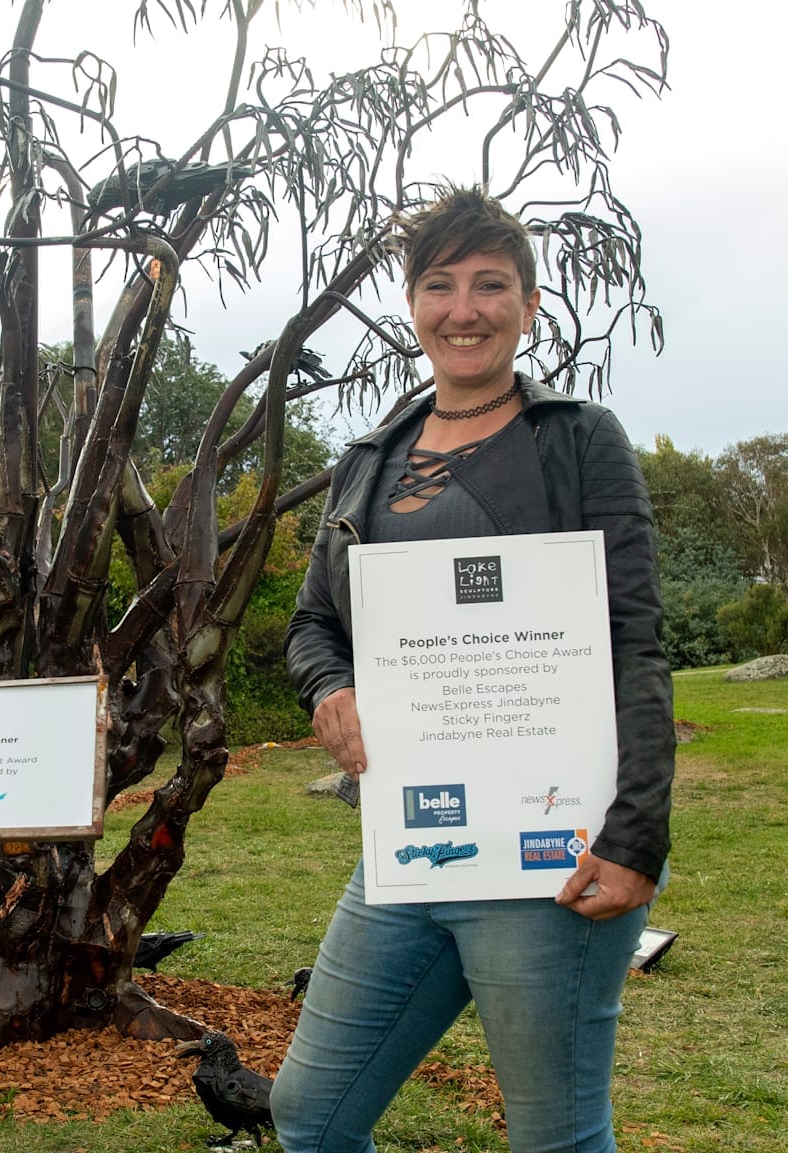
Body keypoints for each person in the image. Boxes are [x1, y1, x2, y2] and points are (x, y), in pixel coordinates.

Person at [269, 185, 674, 1153]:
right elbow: (314, 623)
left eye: (491, 284)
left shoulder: (577, 439)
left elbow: (634, 639)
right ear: (412, 305)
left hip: (557, 857)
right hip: (410, 848)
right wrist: (330, 687)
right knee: (312, 1116)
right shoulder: (370, 458)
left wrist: (635, 838)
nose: (465, 309)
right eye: (440, 285)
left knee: (555, 1137)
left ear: (529, 306)